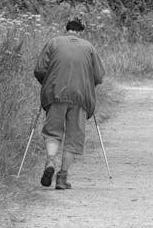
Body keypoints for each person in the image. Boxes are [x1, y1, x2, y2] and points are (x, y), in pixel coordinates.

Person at [34, 18, 105, 189]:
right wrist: (88, 85)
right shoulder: (89, 47)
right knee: (73, 138)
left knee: (53, 132)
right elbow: (99, 76)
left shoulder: (53, 43)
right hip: (80, 97)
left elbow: (39, 70)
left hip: (56, 94)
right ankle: (62, 177)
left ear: (66, 29)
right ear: (81, 31)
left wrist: (48, 82)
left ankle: (50, 162)